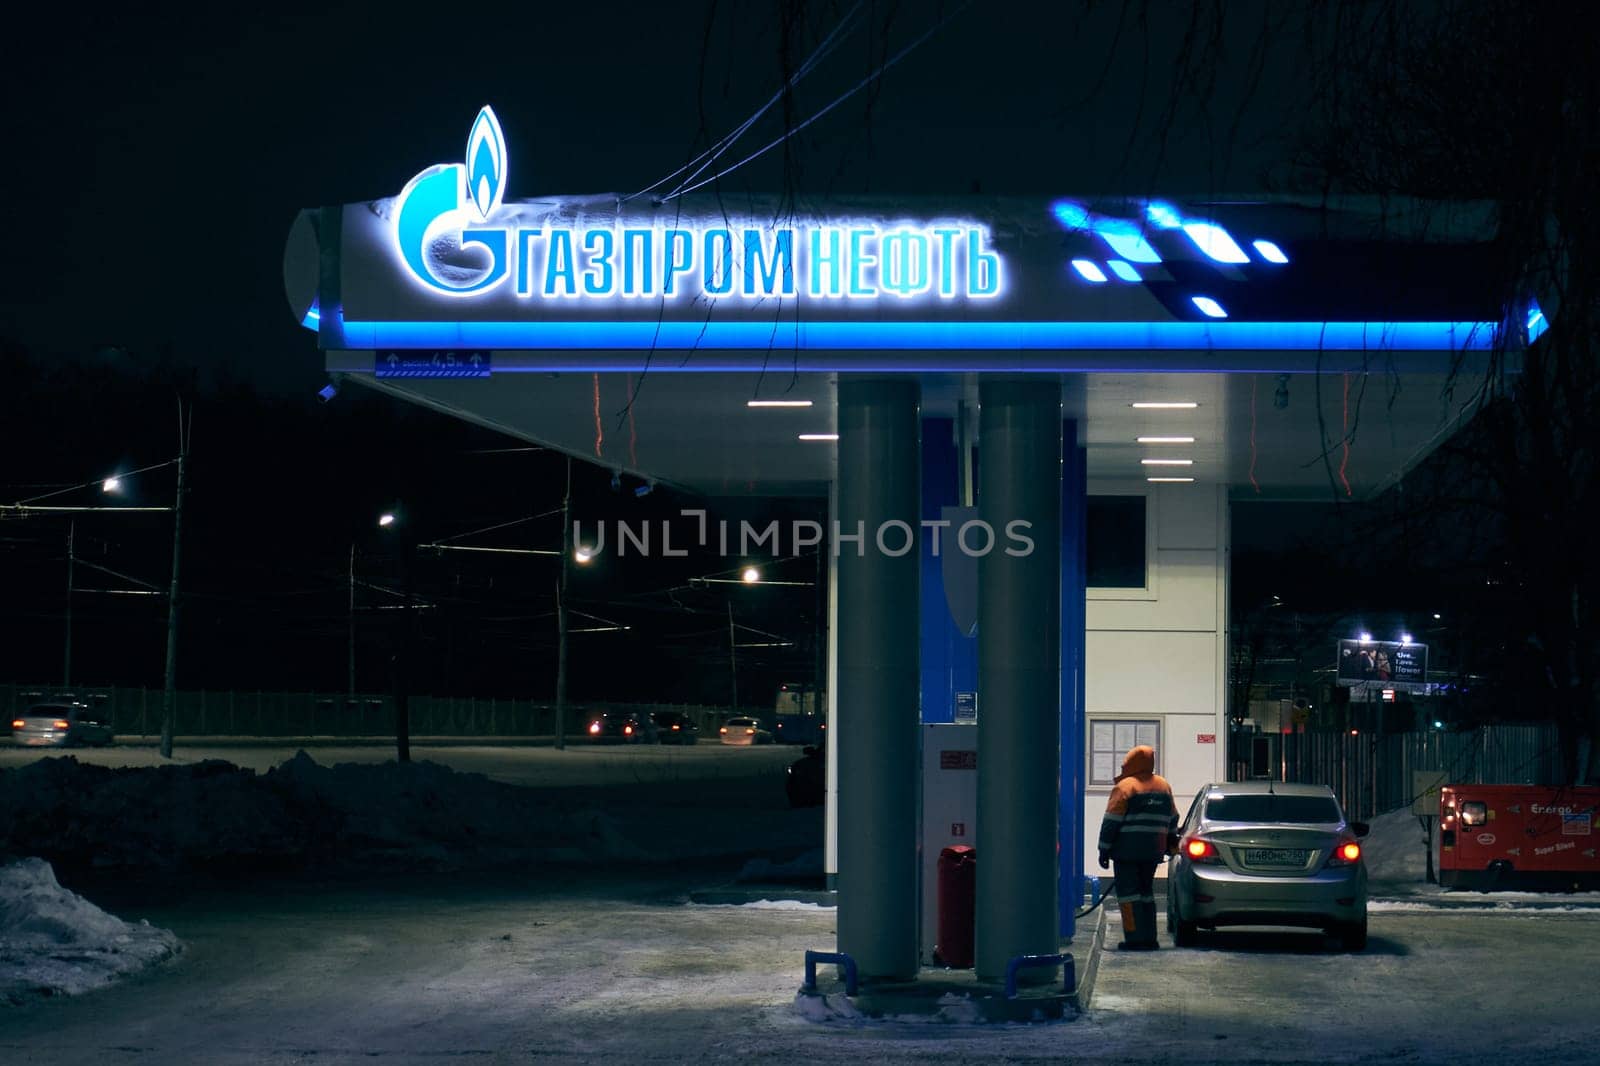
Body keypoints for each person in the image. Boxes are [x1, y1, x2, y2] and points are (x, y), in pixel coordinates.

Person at [1097, 744, 1179, 950]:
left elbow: (1111, 822)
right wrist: (1170, 844)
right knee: (1146, 893)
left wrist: (1103, 849)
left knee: (1128, 895)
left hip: (1126, 852)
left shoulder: (1125, 787)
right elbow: (1173, 818)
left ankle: (1134, 939)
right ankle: (1150, 939)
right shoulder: (1163, 786)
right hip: (1153, 853)